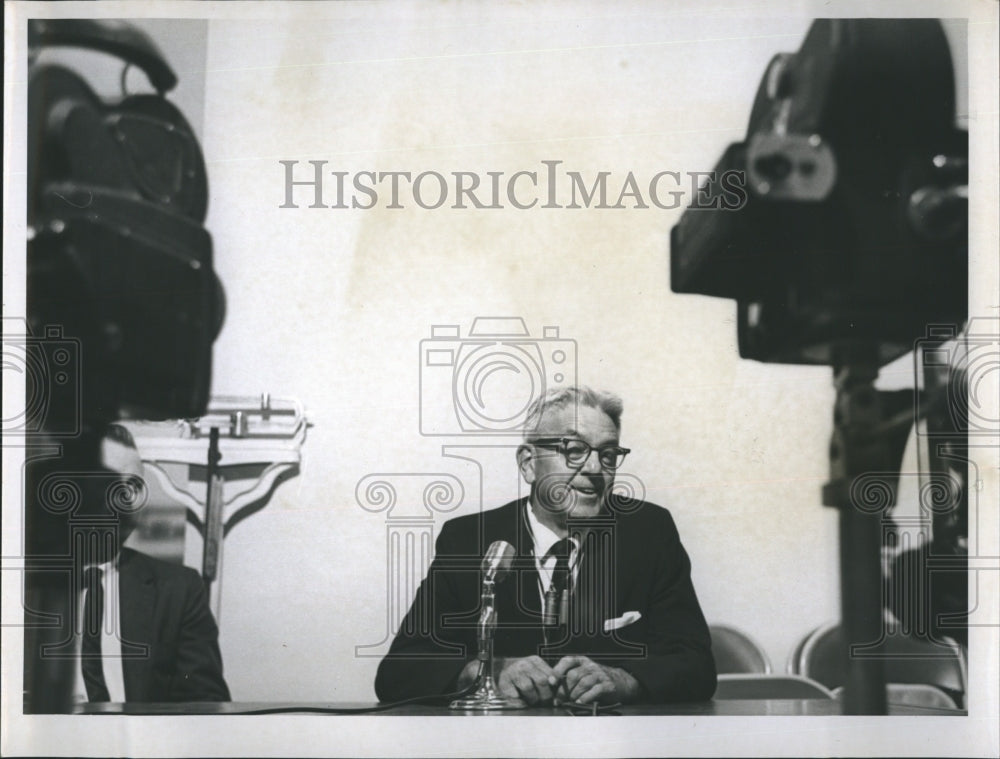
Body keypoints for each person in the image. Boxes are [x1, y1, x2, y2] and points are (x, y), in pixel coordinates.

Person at [375, 387, 716, 705]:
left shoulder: (649, 533)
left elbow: (696, 663)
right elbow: (399, 670)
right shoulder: (468, 539)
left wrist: (624, 680)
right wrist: (488, 672)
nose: (594, 468)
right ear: (528, 463)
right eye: (574, 450)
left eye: (608, 454)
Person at [57, 424, 231, 705]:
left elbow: (205, 706)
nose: (125, 499)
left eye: (133, 486)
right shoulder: (19, 588)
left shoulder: (179, 591)